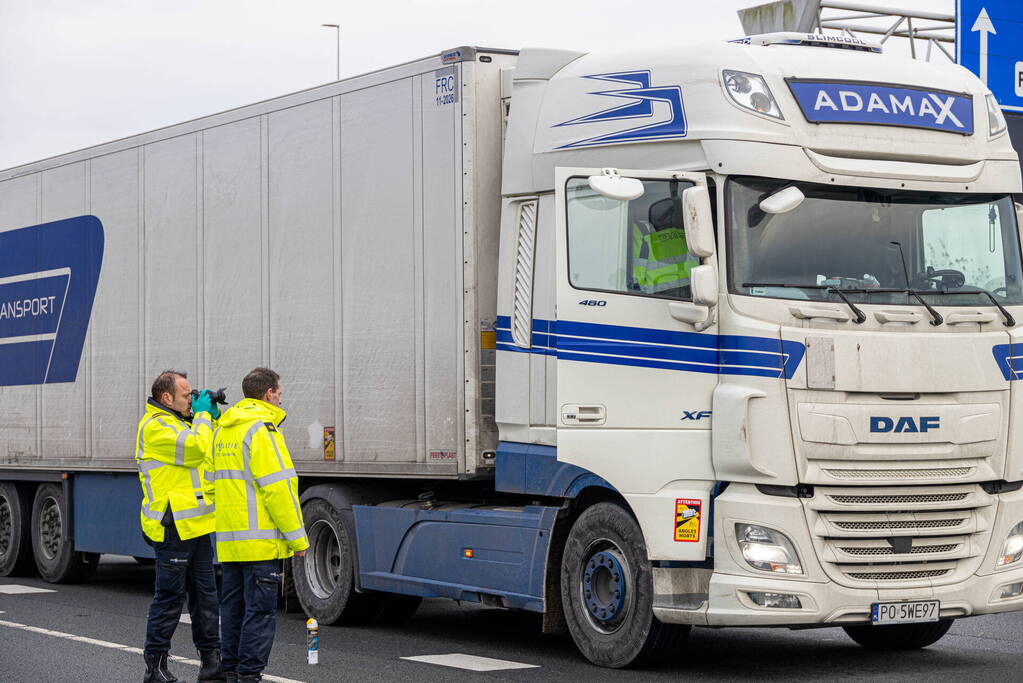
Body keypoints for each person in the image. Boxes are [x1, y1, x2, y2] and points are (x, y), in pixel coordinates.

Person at [210, 367, 308, 683]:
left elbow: (212, 486)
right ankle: (249, 676)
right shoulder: (262, 431)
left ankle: (228, 671)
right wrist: (298, 540)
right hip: (260, 543)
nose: (281, 399)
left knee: (233, 611)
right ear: (268, 394)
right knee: (260, 614)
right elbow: (278, 489)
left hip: (229, 542)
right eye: (279, 393)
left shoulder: (224, 430)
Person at [135, 370, 225, 683]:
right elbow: (195, 449)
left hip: (197, 525)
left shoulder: (180, 422)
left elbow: (209, 451)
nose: (191, 399)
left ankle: (212, 665)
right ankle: (155, 667)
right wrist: (201, 415)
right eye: (186, 395)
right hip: (172, 527)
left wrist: (209, 418)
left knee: (206, 598)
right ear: (166, 398)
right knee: (170, 598)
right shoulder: (156, 427)